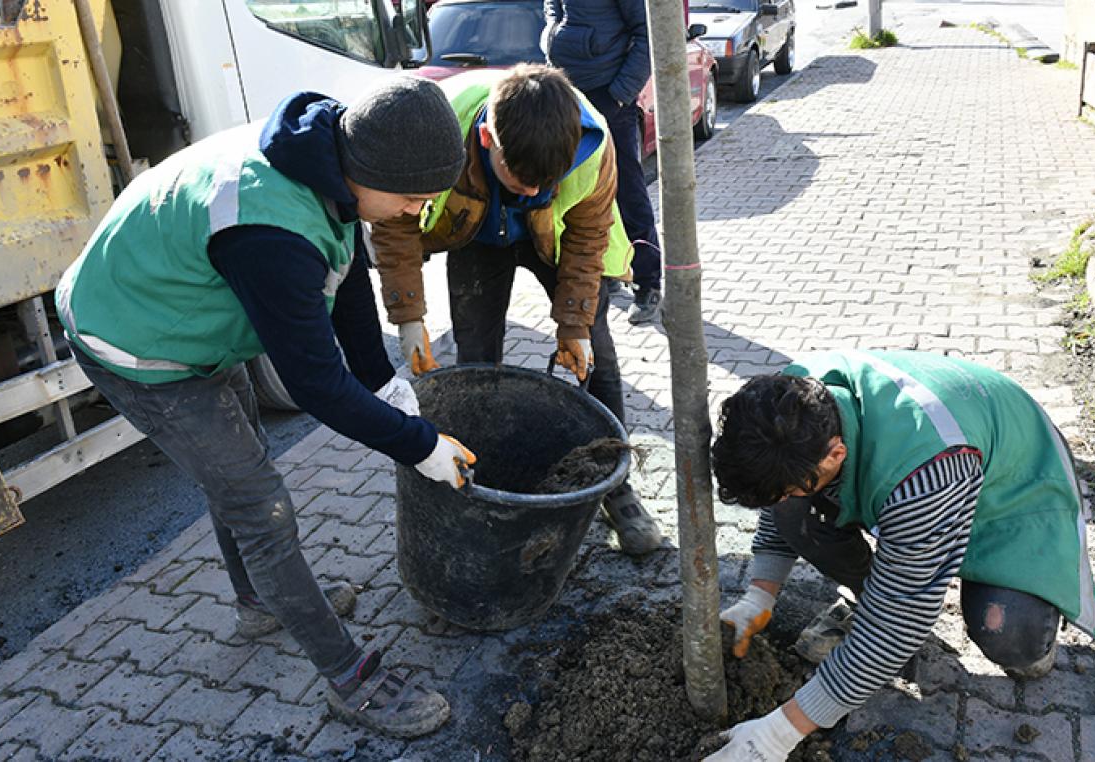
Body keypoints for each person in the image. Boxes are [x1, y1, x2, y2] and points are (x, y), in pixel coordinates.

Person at [54, 77, 476, 739]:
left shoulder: (325, 155)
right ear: (366, 171)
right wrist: (417, 444)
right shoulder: (270, 230)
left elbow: (344, 273)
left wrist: (385, 381)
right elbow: (316, 387)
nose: (413, 215)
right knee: (260, 503)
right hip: (135, 339)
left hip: (184, 310)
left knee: (242, 458)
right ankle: (349, 677)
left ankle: (257, 600)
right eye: (412, 198)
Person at [706, 350, 1095, 761]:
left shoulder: (925, 473)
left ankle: (1030, 630)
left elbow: (901, 619)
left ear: (836, 454)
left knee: (1007, 633)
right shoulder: (790, 404)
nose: (784, 499)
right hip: (938, 468)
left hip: (1014, 491)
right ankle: (877, 600)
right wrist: (759, 596)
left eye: (789, 488)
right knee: (799, 503)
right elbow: (779, 498)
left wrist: (777, 733)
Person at [370, 64, 663, 556]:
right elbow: (394, 225)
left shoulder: (594, 147)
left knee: (598, 358)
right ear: (487, 138)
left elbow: (589, 238)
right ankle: (476, 475)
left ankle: (616, 487)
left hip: (558, 236)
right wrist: (409, 318)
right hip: (477, 236)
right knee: (477, 356)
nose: (532, 192)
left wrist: (574, 326)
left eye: (545, 181)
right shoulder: (439, 131)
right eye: (521, 179)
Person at [542, 0, 664, 325]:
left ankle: (648, 283)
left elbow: (648, 34)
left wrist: (620, 94)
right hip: (569, 92)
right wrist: (552, 32)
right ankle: (607, 270)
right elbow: (553, 6)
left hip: (610, 96)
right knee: (581, 189)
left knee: (627, 192)